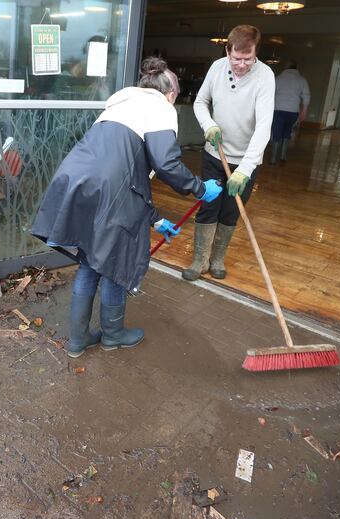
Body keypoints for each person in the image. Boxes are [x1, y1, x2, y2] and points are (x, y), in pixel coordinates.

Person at [32, 57, 222, 358]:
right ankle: (113, 334)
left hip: (77, 181)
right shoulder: (160, 107)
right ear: (171, 94)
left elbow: (131, 175)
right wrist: (200, 187)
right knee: (114, 263)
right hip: (109, 190)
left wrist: (156, 221)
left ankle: (78, 340)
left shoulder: (120, 104)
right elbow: (165, 163)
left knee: (90, 261)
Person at [185, 25, 275, 282]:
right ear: (228, 51)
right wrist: (209, 125)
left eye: (249, 59)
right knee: (208, 206)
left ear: (256, 53)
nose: (242, 64)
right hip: (216, 154)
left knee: (230, 211)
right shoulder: (216, 68)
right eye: (237, 58)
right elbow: (201, 102)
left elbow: (263, 126)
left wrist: (245, 170)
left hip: (247, 160)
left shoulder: (265, 76)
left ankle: (217, 259)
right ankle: (199, 260)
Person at [270, 60, 310, 164]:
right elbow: (306, 95)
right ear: (296, 68)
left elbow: (269, 94)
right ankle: (283, 157)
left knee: (276, 133)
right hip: (293, 111)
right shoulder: (302, 80)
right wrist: (304, 110)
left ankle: (273, 159)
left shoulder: (278, 79)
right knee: (287, 132)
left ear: (286, 67)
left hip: (278, 110)